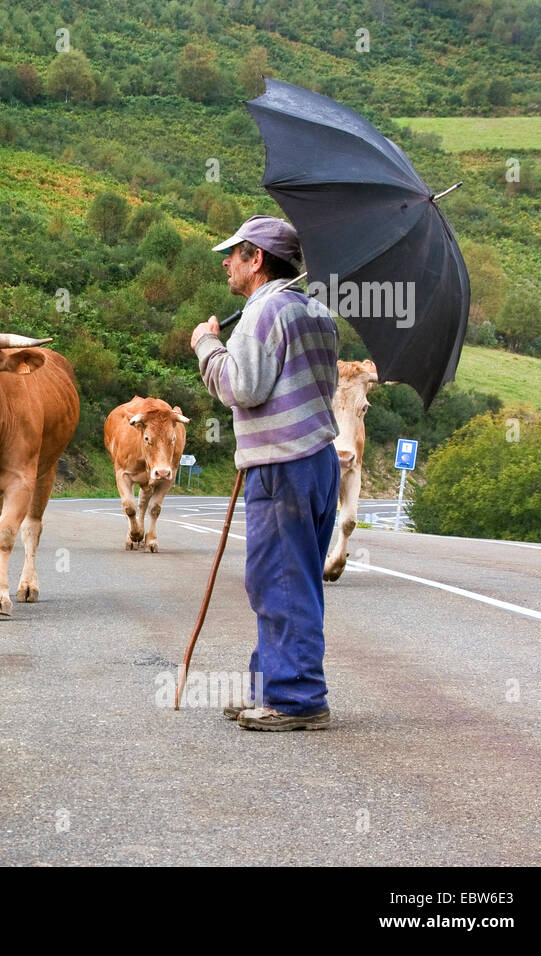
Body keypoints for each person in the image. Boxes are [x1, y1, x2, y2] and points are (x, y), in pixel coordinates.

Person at [190, 215, 340, 732]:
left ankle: (296, 699)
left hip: (282, 466)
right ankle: (269, 685)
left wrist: (207, 346)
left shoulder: (262, 312)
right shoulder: (316, 312)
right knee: (292, 578)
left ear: (257, 260)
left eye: (234, 253)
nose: (227, 262)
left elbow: (243, 388)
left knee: (278, 579)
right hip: (318, 461)